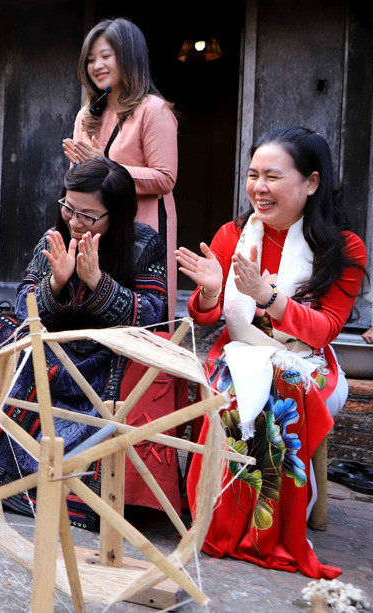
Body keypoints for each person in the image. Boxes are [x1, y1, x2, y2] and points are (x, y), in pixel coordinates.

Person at [177, 126, 367, 579]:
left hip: (309, 362)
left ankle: (269, 526)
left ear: (311, 183)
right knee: (232, 384)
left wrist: (269, 297)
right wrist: (208, 292)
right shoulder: (234, 235)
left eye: (273, 177)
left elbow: (324, 331)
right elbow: (206, 318)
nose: (259, 188)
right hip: (237, 350)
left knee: (283, 384)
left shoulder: (343, 248)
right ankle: (219, 515)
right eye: (252, 174)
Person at [0, 158, 174, 515]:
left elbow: (152, 314)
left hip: (106, 357)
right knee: (2, 331)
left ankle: (70, 490)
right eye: (68, 208)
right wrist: (57, 282)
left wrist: (98, 282)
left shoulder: (144, 244)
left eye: (88, 215)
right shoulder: (55, 238)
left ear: (116, 213)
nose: (75, 221)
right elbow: (25, 305)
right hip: (53, 351)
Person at [63, 18, 178, 320]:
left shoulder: (153, 110)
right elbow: (80, 181)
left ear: (128, 56)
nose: (96, 65)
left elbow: (165, 178)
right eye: (90, 59)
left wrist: (107, 166)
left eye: (105, 56)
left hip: (143, 227)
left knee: (142, 312)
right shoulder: (86, 115)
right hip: (96, 227)